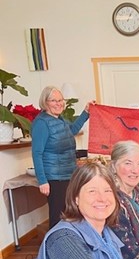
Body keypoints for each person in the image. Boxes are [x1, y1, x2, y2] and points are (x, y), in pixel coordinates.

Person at [31, 86, 94, 228]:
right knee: (57, 216)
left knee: (69, 213)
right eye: (54, 100)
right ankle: (54, 247)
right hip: (55, 178)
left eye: (60, 100)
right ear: (45, 102)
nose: (58, 103)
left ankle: (68, 244)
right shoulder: (42, 123)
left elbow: (72, 130)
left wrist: (85, 112)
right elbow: (37, 153)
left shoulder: (60, 119)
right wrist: (42, 181)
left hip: (68, 174)